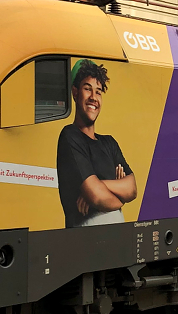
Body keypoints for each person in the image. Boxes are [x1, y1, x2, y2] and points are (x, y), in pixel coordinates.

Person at [56, 59, 136, 227]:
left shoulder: (109, 143)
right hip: (85, 240)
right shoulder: (70, 137)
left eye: (98, 92)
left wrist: (100, 184)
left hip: (116, 238)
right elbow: (97, 197)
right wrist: (120, 197)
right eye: (87, 89)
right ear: (75, 92)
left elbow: (132, 188)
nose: (94, 97)